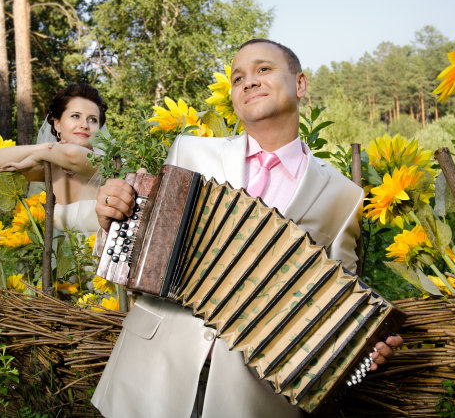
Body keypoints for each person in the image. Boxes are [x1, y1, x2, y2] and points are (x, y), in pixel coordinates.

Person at [91, 40, 403, 417]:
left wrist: (363, 346)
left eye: (264, 70)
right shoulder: (190, 152)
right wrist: (115, 213)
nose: (248, 82)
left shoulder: (344, 194)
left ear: (300, 84)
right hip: (152, 373)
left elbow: (340, 303)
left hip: (253, 397)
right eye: (238, 77)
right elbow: (141, 251)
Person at [0, 83, 108, 236]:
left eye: (93, 120)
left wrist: (41, 155)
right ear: (57, 124)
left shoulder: (105, 163)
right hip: (60, 259)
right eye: (75, 116)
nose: (84, 125)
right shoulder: (50, 168)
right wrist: (44, 149)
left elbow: (72, 154)